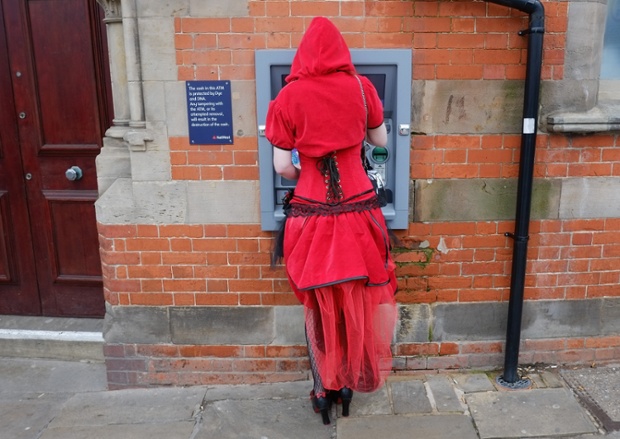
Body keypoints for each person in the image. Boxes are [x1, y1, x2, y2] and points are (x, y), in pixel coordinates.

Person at [265, 17, 398, 426]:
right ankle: (352, 383)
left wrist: (308, 168)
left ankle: (323, 390)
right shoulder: (362, 89)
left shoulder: (288, 97)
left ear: (302, 53)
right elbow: (381, 142)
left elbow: (283, 167)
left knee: (318, 304)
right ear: (342, 51)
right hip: (360, 212)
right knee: (358, 298)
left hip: (311, 216)